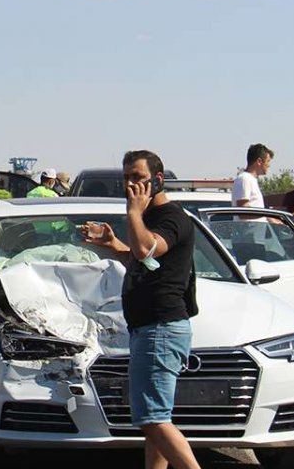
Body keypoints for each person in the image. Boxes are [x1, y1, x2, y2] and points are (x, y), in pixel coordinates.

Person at [82, 150, 200, 469]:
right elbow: (147, 261)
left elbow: (148, 248)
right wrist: (111, 245)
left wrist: (133, 212)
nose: (130, 185)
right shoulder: (150, 221)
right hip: (149, 328)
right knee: (155, 421)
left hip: (160, 328)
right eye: (126, 178)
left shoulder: (171, 217)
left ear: (157, 180)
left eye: (137, 177)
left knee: (151, 420)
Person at [233, 143, 273, 208]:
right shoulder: (245, 179)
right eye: (268, 161)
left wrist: (269, 217)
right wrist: (265, 214)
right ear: (259, 161)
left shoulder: (251, 180)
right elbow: (242, 209)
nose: (269, 165)